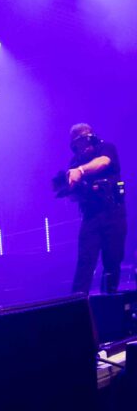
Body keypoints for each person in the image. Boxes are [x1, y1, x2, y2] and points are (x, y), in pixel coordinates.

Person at [66, 123, 127, 294]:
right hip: (91, 216)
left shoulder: (106, 148)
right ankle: (78, 302)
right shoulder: (75, 162)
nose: (84, 148)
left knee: (113, 259)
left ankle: (110, 299)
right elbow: (73, 196)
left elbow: (103, 162)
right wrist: (72, 189)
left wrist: (81, 170)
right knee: (85, 261)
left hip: (113, 212)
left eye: (85, 142)